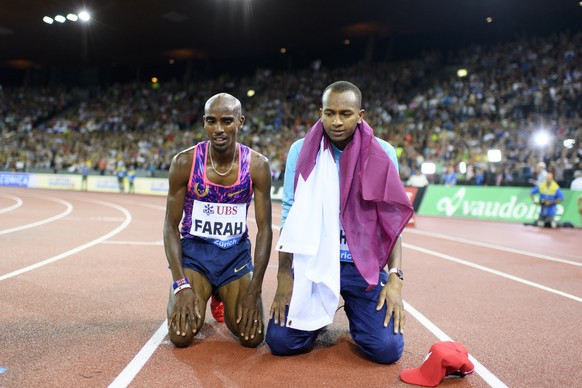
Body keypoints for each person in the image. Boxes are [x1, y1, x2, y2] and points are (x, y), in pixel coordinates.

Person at [266, 81, 413, 364]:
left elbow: (391, 222)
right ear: (320, 112)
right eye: (329, 113)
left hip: (362, 267)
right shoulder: (300, 151)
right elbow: (289, 214)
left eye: (345, 113)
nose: (336, 121)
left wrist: (395, 278)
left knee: (386, 350)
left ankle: (356, 312)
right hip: (314, 264)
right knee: (280, 342)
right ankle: (318, 316)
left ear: (361, 115)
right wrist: (284, 274)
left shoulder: (383, 153)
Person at [163, 93, 273, 348]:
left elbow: (265, 229)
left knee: (252, 337)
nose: (218, 129)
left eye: (227, 121)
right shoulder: (184, 162)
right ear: (204, 122)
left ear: (240, 121)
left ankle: (222, 293)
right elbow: (170, 226)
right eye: (211, 121)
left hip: (234, 256)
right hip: (195, 255)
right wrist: (180, 285)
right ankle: (206, 289)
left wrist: (255, 288)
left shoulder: (257, 165)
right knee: (181, 336)